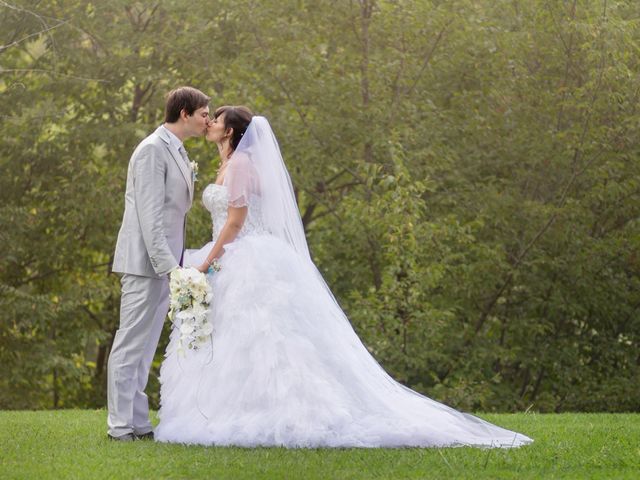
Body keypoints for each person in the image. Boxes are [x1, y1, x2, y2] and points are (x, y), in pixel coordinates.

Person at [154, 106, 533, 448]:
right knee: (231, 337)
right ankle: (226, 406)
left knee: (262, 335)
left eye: (216, 120)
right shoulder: (230, 163)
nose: (210, 124)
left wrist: (207, 262)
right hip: (230, 254)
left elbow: (236, 223)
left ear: (231, 132)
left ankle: (274, 409)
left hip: (239, 254)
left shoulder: (239, 166)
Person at [108, 87, 210, 441]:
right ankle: (119, 427)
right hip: (144, 263)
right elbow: (150, 217)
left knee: (145, 347)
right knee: (130, 345)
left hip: (166, 263)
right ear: (184, 113)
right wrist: (171, 269)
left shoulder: (178, 152)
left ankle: (138, 423)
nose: (207, 120)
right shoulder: (152, 150)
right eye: (203, 114)